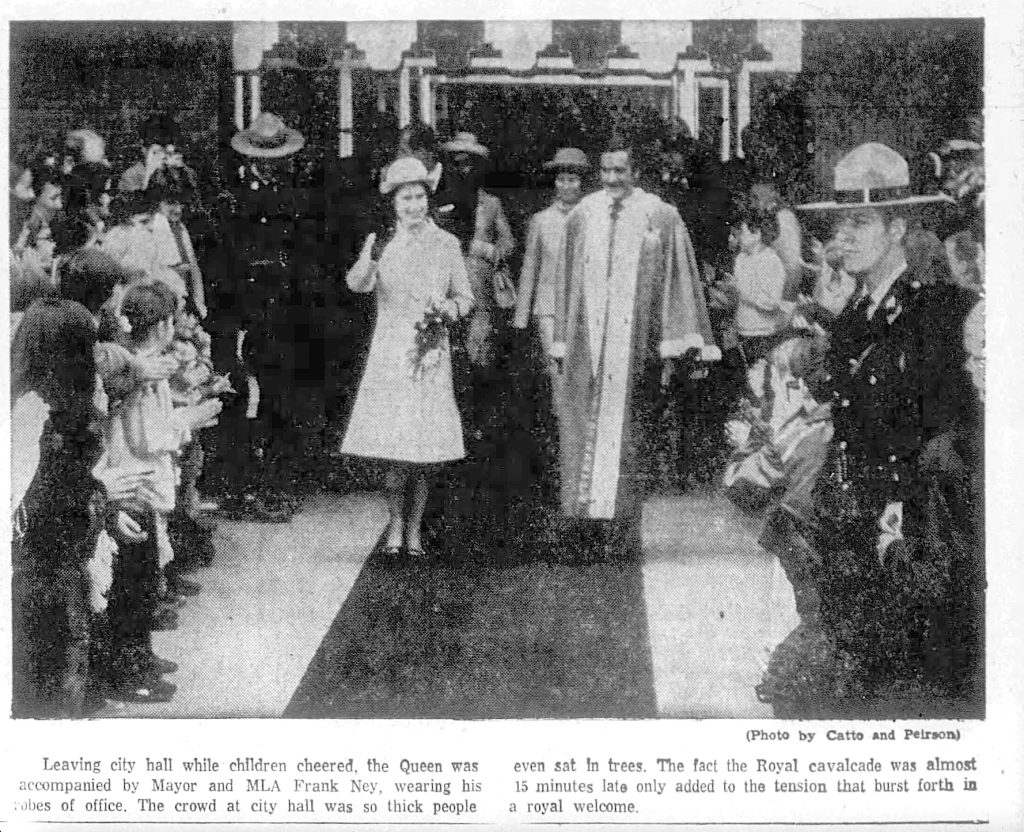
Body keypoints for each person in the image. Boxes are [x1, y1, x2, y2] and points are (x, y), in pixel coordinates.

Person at [758, 141, 978, 717]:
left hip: (905, 518)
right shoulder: (859, 309)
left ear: (898, 227)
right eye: (838, 224)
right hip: (852, 508)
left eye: (860, 222)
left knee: (901, 682)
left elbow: (928, 425)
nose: (843, 238)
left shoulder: (935, 310)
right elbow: (839, 395)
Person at [549, 139, 720, 559]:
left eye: (619, 172)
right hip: (589, 344)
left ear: (635, 173)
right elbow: (567, 281)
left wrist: (675, 343)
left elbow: (678, 280)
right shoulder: (582, 216)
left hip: (634, 346)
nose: (611, 180)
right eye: (605, 171)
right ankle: (582, 527)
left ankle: (622, 530)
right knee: (579, 430)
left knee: (629, 436)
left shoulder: (660, 216)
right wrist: (562, 339)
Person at [341, 157, 473, 559]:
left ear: (428, 201)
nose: (413, 206)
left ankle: (415, 526)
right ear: (393, 204)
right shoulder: (382, 242)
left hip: (431, 349)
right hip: (391, 349)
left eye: (419, 198)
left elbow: (465, 297)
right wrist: (371, 257)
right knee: (395, 443)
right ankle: (395, 522)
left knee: (425, 444)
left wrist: (449, 309)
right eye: (405, 199)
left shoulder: (446, 244)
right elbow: (358, 285)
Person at [514, 147, 590, 381]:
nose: (566, 186)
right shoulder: (541, 220)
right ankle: (560, 417)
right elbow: (530, 267)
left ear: (582, 183)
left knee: (582, 369)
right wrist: (521, 317)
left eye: (572, 180)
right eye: (561, 180)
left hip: (583, 305)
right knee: (556, 370)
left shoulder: (592, 218)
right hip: (549, 308)